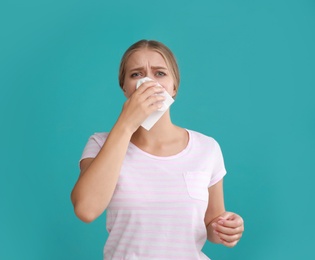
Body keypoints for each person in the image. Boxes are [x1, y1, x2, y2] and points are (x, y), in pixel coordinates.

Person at [71, 39, 244, 259]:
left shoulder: (206, 148)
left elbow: (211, 223)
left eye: (159, 73)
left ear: (174, 86)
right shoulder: (100, 144)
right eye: (136, 74)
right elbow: (86, 210)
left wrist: (225, 229)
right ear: (124, 87)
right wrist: (126, 124)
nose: (148, 82)